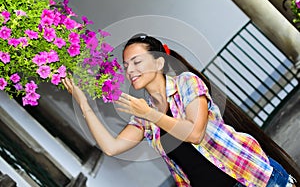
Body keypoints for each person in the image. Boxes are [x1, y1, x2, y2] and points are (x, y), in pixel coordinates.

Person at [62, 34, 297, 187]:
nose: (129, 70)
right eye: (126, 66)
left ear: (159, 62)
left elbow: (195, 133)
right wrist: (83, 103)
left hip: (253, 179)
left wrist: (150, 114)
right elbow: (112, 148)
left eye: (137, 62)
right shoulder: (144, 113)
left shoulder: (186, 83)